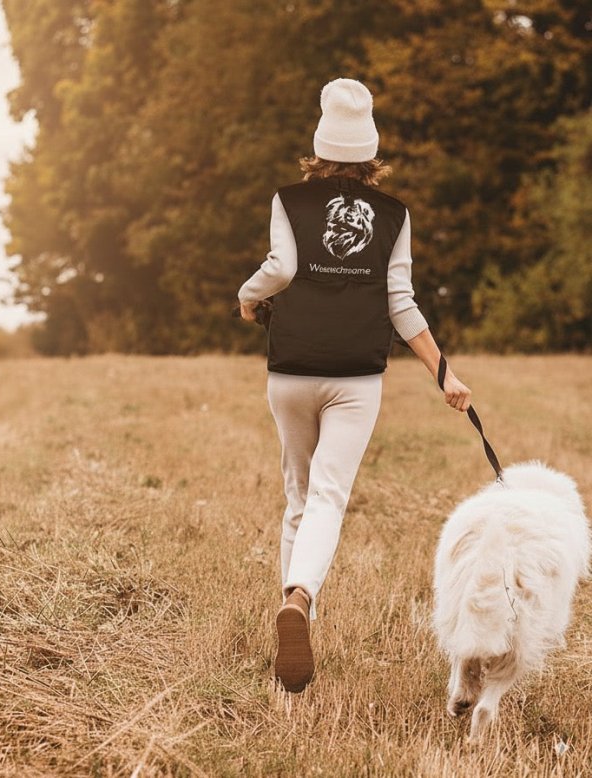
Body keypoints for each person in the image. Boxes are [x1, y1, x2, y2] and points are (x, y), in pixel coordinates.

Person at [237, 77, 472, 693]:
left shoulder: (287, 200)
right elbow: (402, 304)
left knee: (297, 495)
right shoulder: (394, 215)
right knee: (328, 496)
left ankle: (292, 621)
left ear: (319, 145)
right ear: (370, 151)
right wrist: (445, 375)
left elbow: (281, 269)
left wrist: (247, 296)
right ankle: (301, 597)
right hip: (355, 377)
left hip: (290, 369)